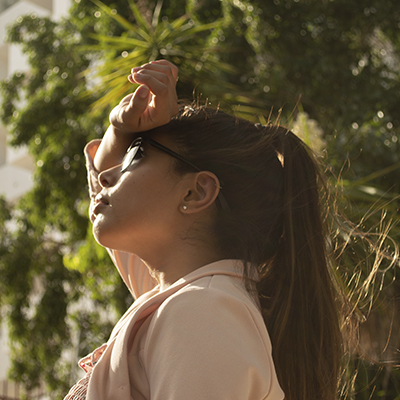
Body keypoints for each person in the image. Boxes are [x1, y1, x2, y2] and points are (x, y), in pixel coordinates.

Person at [64, 60, 343, 400]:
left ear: (196, 193)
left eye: (134, 157)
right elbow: (104, 189)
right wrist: (122, 132)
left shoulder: (201, 312)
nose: (110, 176)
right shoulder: (192, 301)